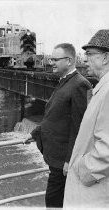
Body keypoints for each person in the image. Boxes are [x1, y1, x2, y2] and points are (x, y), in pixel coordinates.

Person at [24, 43, 92, 208]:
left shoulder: (79, 84)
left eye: (55, 59)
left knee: (53, 202)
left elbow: (80, 127)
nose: (51, 62)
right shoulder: (65, 81)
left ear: (69, 61)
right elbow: (54, 116)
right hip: (56, 158)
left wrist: (69, 160)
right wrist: (35, 133)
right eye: (50, 59)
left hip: (63, 162)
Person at [64, 30, 109, 208]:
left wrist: (83, 169)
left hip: (92, 192)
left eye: (89, 54)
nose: (84, 59)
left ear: (105, 57)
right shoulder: (103, 88)